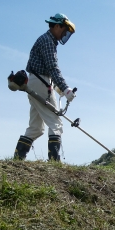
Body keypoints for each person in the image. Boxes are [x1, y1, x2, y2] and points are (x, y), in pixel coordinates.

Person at [13, 13, 76, 162]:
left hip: (36, 82)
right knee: (56, 123)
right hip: (41, 82)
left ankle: (17, 159)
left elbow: (48, 70)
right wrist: (66, 89)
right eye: (64, 30)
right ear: (56, 26)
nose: (64, 34)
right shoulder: (48, 41)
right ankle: (54, 162)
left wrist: (57, 88)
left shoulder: (47, 40)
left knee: (36, 127)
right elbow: (53, 68)